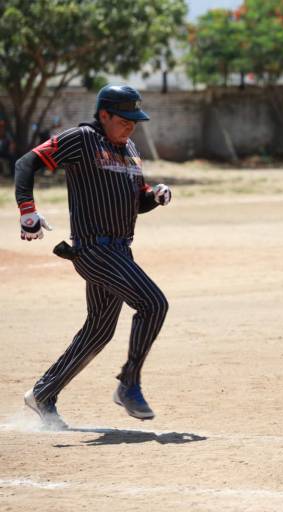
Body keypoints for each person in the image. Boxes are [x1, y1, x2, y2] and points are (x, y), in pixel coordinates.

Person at [15, 84, 172, 430]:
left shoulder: (129, 149)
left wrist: (153, 196)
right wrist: (28, 210)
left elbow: (136, 200)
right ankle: (129, 383)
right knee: (153, 304)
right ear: (104, 115)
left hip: (119, 250)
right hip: (94, 249)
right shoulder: (83, 139)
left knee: (99, 331)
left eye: (135, 120)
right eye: (125, 119)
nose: (131, 126)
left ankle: (42, 394)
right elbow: (27, 163)